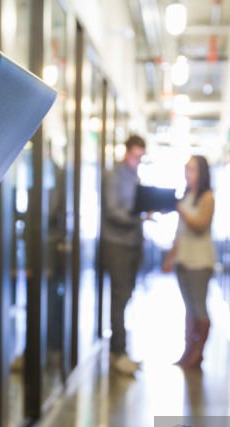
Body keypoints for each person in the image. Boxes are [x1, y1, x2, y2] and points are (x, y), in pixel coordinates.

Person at [162, 155, 216, 370]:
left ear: (201, 172)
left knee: (199, 307)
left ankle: (198, 352)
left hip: (200, 261)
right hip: (183, 259)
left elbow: (199, 225)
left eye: (192, 169)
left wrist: (180, 209)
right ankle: (188, 351)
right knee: (189, 308)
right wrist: (170, 257)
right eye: (186, 169)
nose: (188, 173)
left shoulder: (207, 198)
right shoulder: (186, 195)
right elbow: (180, 232)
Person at [101, 134, 147, 377]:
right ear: (127, 151)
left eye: (141, 156)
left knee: (125, 295)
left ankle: (118, 351)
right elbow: (113, 211)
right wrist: (137, 216)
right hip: (117, 243)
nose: (137, 160)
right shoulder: (114, 175)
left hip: (132, 244)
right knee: (119, 297)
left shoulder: (134, 176)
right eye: (135, 155)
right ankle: (118, 352)